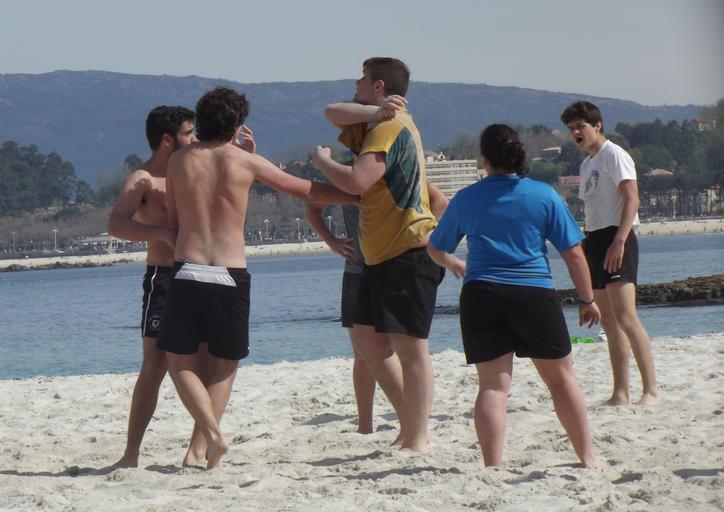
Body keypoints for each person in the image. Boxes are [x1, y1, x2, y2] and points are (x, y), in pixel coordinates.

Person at [156, 86, 356, 469]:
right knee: (224, 364)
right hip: (229, 273)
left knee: (180, 363)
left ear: (202, 120)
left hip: (188, 269)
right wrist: (356, 198)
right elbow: (304, 189)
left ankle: (205, 443)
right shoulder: (247, 162)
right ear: (237, 124)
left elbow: (175, 221)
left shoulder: (179, 161)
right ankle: (207, 441)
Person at [427, 124, 601, 468]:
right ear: (519, 155)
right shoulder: (543, 195)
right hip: (532, 292)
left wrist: (453, 263)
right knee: (561, 380)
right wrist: (586, 299)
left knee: (493, 387)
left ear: (485, 158)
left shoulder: (467, 197)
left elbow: (435, 247)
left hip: (481, 294)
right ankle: (588, 457)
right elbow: (573, 254)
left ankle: (493, 466)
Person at [312, 57, 443, 452]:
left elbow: (357, 181)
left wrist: (323, 162)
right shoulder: (376, 121)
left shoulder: (390, 127)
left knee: (411, 349)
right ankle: (409, 424)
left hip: (406, 250)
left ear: (379, 85)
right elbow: (331, 111)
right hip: (377, 255)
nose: (356, 83)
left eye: (363, 78)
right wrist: (374, 110)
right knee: (366, 340)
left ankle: (417, 435)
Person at [306, 183, 448, 435]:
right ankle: (365, 424)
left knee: (398, 347)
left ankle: (410, 423)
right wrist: (332, 241)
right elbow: (313, 208)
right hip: (357, 266)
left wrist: (423, 237)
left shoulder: (392, 176)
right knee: (362, 351)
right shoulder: (346, 180)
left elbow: (440, 200)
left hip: (391, 263)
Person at [107, 105, 197, 468]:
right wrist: (159, 233)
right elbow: (116, 224)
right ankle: (130, 454)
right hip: (163, 277)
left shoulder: (193, 169)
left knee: (203, 361)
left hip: (198, 272)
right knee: (155, 365)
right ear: (167, 140)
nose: (195, 139)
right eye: (189, 133)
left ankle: (198, 449)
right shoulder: (143, 179)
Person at [560, 101, 661, 406]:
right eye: (571, 128)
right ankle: (620, 392)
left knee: (627, 317)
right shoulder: (586, 164)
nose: (576, 133)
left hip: (618, 236)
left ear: (597, 126)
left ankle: (651, 391)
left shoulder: (614, 154)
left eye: (581, 126)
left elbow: (632, 199)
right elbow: (594, 208)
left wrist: (620, 240)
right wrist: (585, 243)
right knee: (608, 322)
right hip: (594, 239)